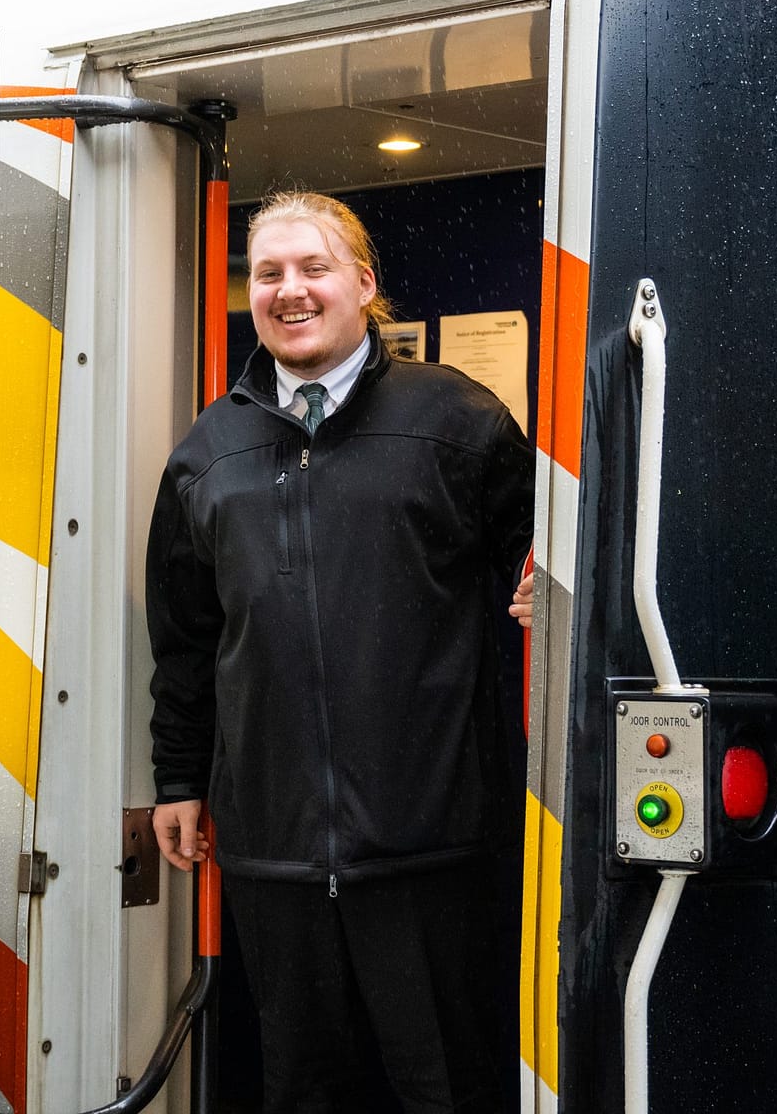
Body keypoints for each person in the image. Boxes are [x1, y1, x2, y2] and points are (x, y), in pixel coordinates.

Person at [146, 190, 534, 1113]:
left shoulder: (457, 419)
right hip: (272, 854)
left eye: (312, 268)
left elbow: (551, 564)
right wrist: (177, 780)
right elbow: (188, 639)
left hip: (432, 846)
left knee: (450, 1087)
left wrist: (542, 590)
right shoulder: (210, 450)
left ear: (363, 283)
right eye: (268, 273)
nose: (289, 290)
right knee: (306, 1091)